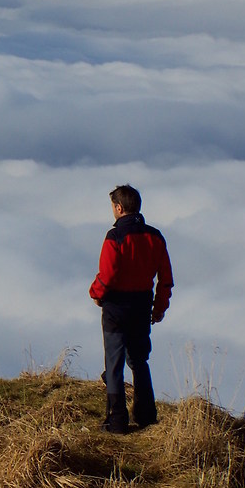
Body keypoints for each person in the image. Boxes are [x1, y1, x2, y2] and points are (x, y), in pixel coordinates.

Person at [89, 183, 172, 433]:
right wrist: (159, 308)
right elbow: (165, 278)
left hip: (116, 307)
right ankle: (146, 414)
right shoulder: (155, 236)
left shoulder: (114, 237)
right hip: (142, 305)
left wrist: (95, 292)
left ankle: (116, 421)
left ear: (118, 207)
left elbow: (109, 273)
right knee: (139, 360)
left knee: (114, 361)